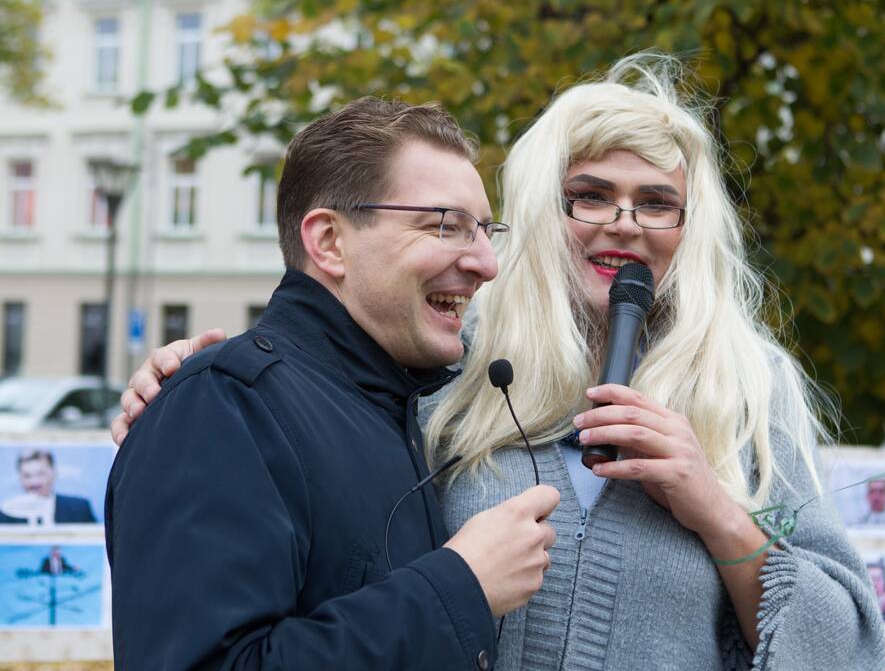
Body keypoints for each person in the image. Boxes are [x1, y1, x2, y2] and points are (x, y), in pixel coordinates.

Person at [116, 55, 885, 669]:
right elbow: (323, 370)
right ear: (543, 212)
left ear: (692, 227)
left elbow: (849, 648)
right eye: (589, 194)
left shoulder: (745, 390)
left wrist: (714, 506)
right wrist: (192, 382)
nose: (624, 223)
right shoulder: (451, 361)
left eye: (657, 202)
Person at [106, 98, 560, 669]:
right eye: (447, 226)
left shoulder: (398, 405)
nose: (487, 263)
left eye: (485, 231)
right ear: (328, 242)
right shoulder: (224, 405)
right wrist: (459, 586)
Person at [0, 449, 96, 525]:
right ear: (20, 478)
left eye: (40, 474)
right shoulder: (6, 513)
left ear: (53, 473)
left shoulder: (79, 508)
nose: (34, 482)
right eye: (27, 476)